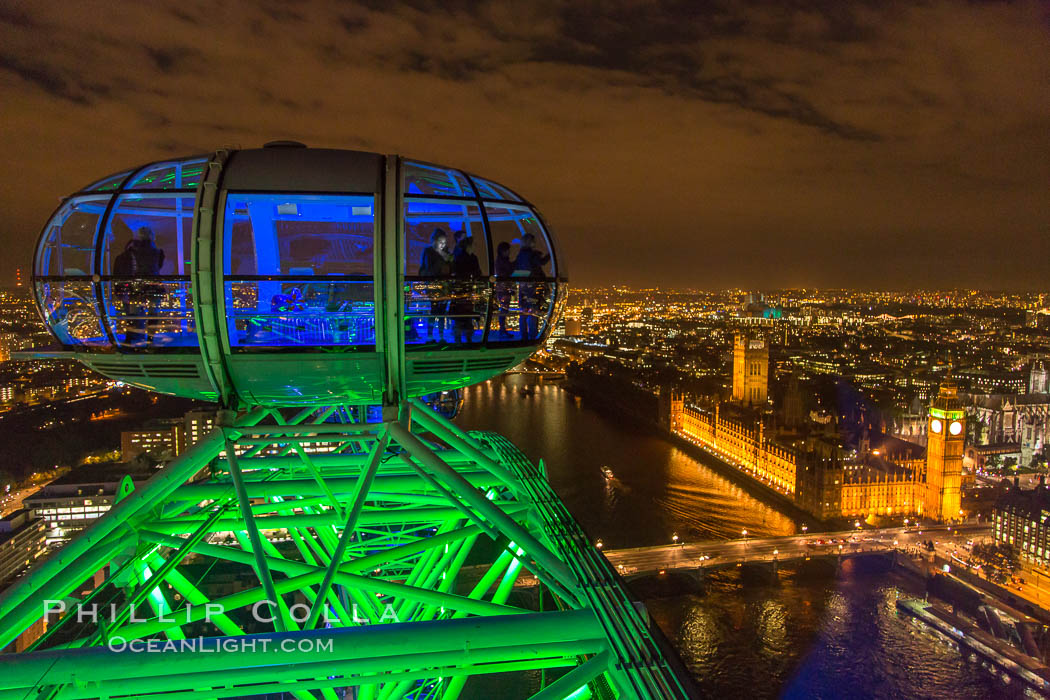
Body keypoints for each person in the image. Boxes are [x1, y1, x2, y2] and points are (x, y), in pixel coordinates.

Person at [116, 226, 166, 345]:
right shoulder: (158, 253)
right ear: (152, 237)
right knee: (153, 313)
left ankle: (131, 337)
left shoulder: (132, 251)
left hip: (137, 287)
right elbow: (158, 267)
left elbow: (126, 265)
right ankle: (150, 339)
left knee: (134, 313)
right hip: (154, 287)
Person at [512, 233, 550, 341]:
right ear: (530, 242)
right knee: (533, 311)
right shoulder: (531, 254)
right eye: (533, 241)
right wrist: (550, 255)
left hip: (523, 286)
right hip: (533, 286)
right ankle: (532, 335)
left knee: (524, 311)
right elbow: (541, 263)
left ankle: (523, 336)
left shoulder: (520, 254)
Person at [418, 228, 452, 340]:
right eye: (441, 242)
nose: (443, 245)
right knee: (435, 311)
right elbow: (430, 269)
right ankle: (432, 335)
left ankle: (436, 336)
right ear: (435, 241)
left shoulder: (436, 252)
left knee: (440, 312)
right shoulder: (429, 252)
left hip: (442, 287)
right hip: (434, 287)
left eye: (444, 243)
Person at [450, 235, 482, 344]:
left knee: (462, 316)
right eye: (474, 244)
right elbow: (477, 273)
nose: (475, 246)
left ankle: (460, 340)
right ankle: (466, 339)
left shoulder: (460, 257)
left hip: (462, 291)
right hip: (466, 291)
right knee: (465, 315)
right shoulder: (471, 258)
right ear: (469, 245)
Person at [493, 241, 514, 338]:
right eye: (508, 250)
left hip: (504, 288)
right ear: (503, 251)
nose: (509, 252)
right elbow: (505, 273)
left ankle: (502, 330)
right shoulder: (502, 261)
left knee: (504, 309)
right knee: (504, 310)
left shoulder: (501, 261)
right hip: (504, 288)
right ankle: (502, 330)